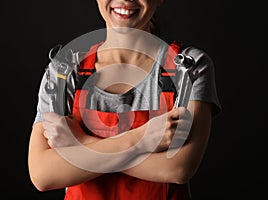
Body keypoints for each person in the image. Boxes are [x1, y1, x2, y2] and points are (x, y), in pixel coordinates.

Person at [28, 0, 221, 199]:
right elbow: (42, 174)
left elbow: (178, 168)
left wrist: (81, 143)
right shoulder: (65, 72)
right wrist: (141, 139)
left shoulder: (188, 68)